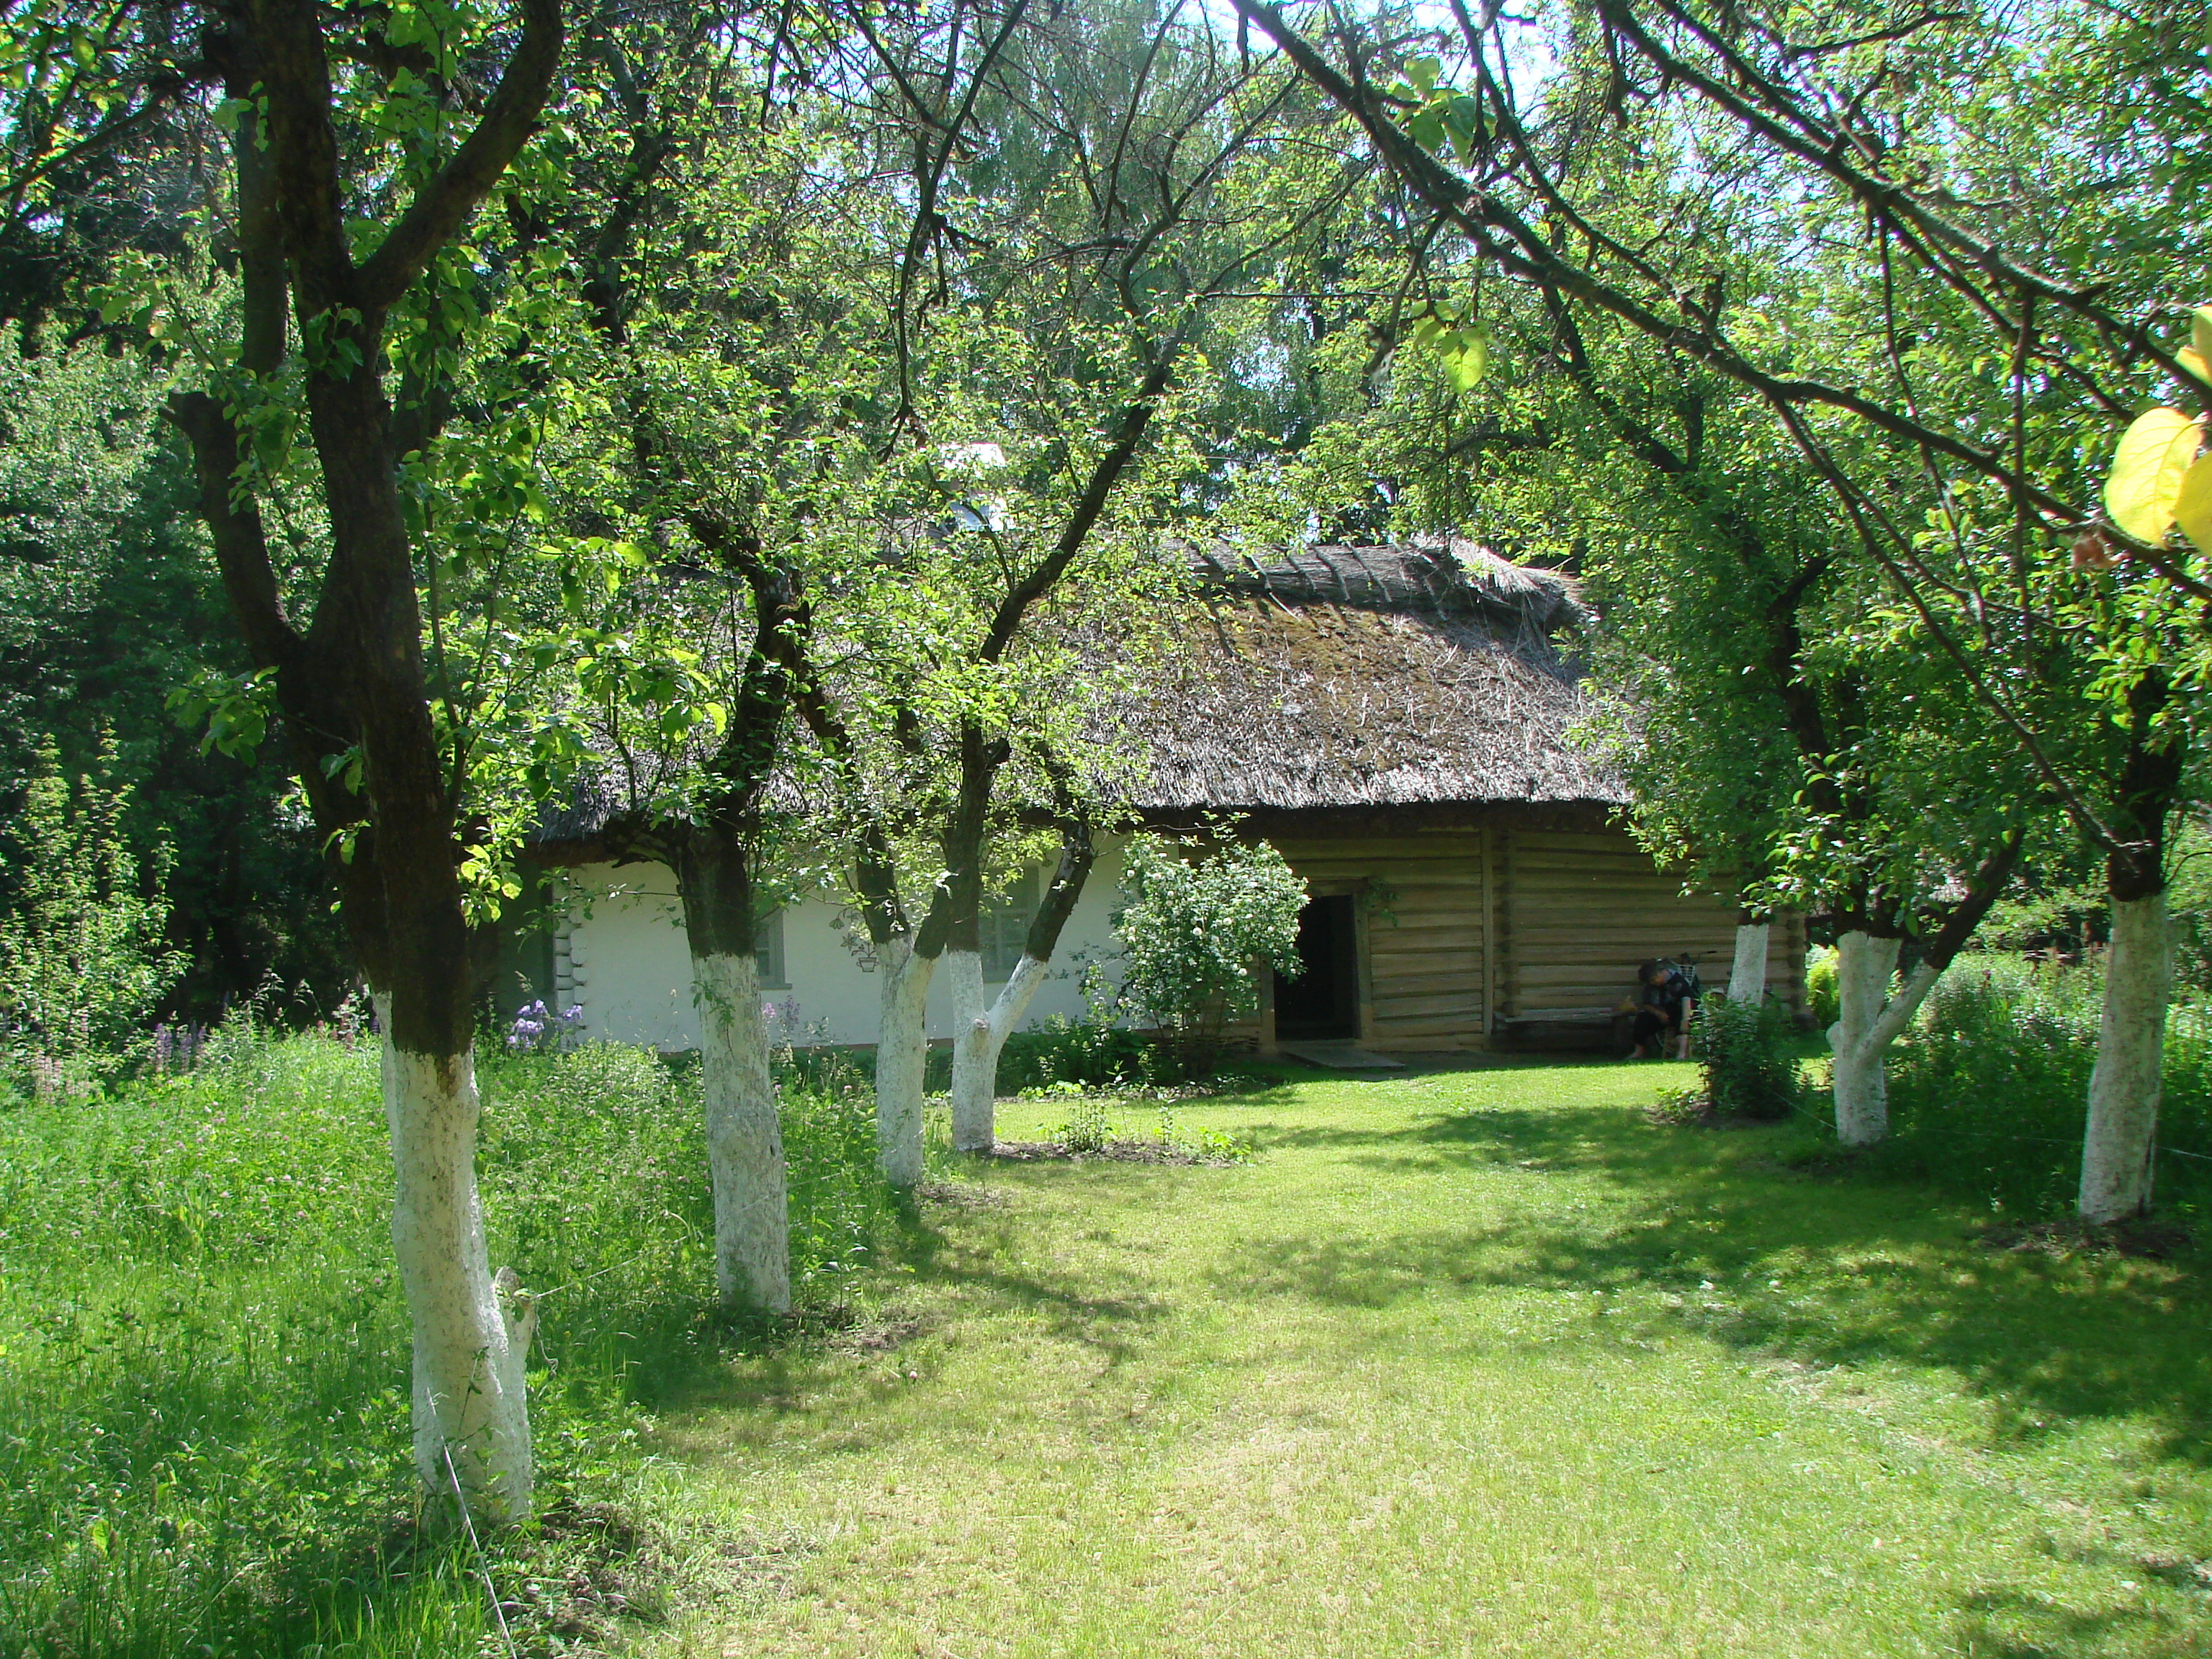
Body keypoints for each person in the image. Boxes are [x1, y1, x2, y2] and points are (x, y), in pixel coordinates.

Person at [1627, 958, 1696, 1060]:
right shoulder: (1651, 986)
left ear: (1662, 972)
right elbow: (1646, 1004)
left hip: (1680, 1011)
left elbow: (1687, 1001)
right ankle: (1639, 1052)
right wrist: (1659, 1014)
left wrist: (1685, 1020)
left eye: (1654, 979)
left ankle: (1682, 1054)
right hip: (1661, 1012)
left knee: (1681, 1023)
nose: (1654, 982)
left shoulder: (1678, 982)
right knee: (1642, 1019)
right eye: (1651, 981)